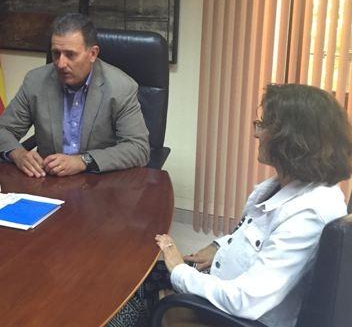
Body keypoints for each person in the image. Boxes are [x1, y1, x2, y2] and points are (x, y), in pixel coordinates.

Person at [115, 83, 351, 327]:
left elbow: (245, 301)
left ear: (291, 139)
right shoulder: (282, 186)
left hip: (235, 317)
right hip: (225, 285)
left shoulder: (307, 215)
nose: (256, 134)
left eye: (263, 125)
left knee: (123, 308)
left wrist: (179, 270)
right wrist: (219, 246)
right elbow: (252, 235)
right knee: (133, 278)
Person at [0, 13, 150, 177]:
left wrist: (83, 161)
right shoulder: (35, 82)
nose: (61, 64)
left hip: (98, 180)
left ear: (92, 54)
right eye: (56, 53)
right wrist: (18, 154)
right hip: (48, 180)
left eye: (70, 55)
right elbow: (0, 131)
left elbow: (138, 148)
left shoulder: (121, 87)